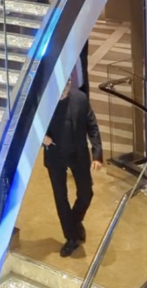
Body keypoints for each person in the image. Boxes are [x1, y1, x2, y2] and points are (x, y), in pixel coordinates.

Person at [43, 78, 103, 257]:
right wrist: (42, 137)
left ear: (69, 83)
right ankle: (71, 238)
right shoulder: (44, 101)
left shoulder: (80, 98)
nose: (61, 94)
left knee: (86, 193)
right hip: (55, 154)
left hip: (77, 153)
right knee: (61, 197)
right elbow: (31, 123)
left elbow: (92, 126)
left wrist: (97, 155)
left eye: (64, 89)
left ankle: (74, 223)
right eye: (58, 91)